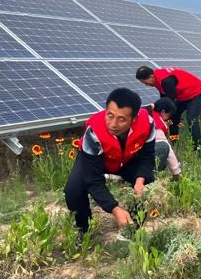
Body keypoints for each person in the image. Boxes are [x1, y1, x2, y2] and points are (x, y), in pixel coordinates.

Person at [64, 88, 156, 233]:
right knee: (73, 191)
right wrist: (114, 208)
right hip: (96, 160)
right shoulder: (93, 132)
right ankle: (83, 229)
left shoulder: (148, 123)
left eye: (121, 119)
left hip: (126, 159)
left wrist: (140, 180)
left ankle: (133, 226)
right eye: (110, 115)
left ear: (134, 119)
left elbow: (148, 156)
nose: (113, 124)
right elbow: (93, 180)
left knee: (148, 184)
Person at [136, 66, 201, 150]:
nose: (147, 85)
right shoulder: (157, 79)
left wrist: (162, 113)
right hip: (183, 95)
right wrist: (161, 112)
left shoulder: (166, 81)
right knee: (173, 118)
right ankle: (174, 142)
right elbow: (164, 97)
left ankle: (197, 149)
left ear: (151, 76)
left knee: (191, 118)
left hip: (196, 92)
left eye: (146, 83)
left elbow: (170, 102)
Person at [146, 97, 181, 180]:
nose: (168, 119)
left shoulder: (144, 112)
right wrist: (176, 172)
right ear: (163, 112)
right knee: (163, 147)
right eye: (168, 116)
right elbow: (168, 150)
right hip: (140, 162)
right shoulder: (157, 123)